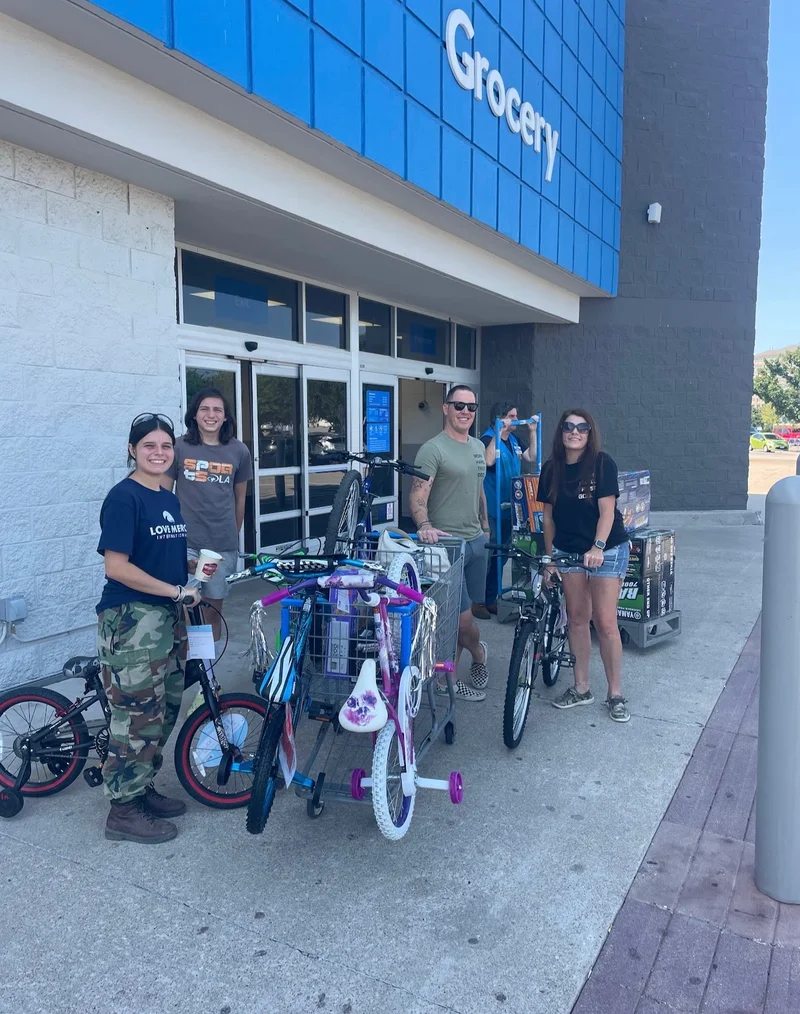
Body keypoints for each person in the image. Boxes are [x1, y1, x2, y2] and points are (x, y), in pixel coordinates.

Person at [96, 413, 202, 844]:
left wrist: (192, 566)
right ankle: (122, 811)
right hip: (132, 621)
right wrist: (177, 591)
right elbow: (117, 567)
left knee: (165, 709)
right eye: (149, 446)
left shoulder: (167, 498)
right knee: (136, 716)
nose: (159, 453)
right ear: (132, 450)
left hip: (166, 619)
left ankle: (140, 788)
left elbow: (155, 554)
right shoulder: (124, 498)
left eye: (165, 446)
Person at [537, 409, 631, 723]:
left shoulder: (602, 464)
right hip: (568, 550)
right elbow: (548, 519)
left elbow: (607, 512)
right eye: (568, 426)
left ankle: (615, 693)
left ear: (590, 433)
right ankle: (581, 687)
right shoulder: (551, 469)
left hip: (606, 549)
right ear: (560, 432)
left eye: (582, 427)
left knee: (605, 622)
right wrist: (550, 559)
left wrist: (598, 547)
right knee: (577, 619)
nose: (574, 432)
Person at [410, 384, 490, 702]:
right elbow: (418, 494)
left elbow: (479, 488)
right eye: (459, 406)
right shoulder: (433, 449)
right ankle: (477, 656)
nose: (465, 412)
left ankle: (449, 676)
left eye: (471, 407)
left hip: (477, 542)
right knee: (459, 619)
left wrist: (486, 527)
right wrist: (425, 525)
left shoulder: (477, 446)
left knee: (462, 618)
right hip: (447, 546)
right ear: (446, 408)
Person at [166, 387, 253, 653]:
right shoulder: (179, 447)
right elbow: (164, 496)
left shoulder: (239, 451)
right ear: (194, 414)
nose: (211, 415)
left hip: (220, 547)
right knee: (186, 609)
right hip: (186, 543)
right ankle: (186, 666)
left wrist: (232, 534)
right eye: (204, 409)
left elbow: (240, 500)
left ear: (225, 417)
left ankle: (207, 670)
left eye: (217, 410)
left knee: (213, 610)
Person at [473, 402, 538, 618]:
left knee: (501, 555)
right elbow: (488, 460)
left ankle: (491, 597)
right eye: (512, 416)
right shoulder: (486, 439)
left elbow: (531, 457)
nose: (516, 420)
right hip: (490, 507)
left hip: (510, 507)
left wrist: (532, 432)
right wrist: (498, 431)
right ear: (500, 418)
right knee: (487, 556)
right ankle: (477, 601)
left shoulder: (513, 440)